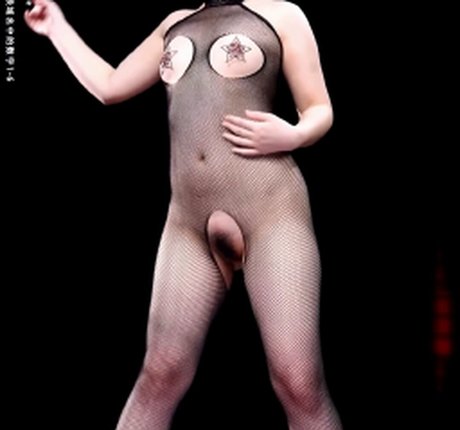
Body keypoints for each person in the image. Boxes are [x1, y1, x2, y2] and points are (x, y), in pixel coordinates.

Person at [25, 0, 342, 428]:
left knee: (298, 382)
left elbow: (320, 108)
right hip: (188, 222)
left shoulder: (282, 13)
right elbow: (109, 86)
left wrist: (295, 133)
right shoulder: (174, 23)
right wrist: (56, 28)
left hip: (271, 212)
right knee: (160, 373)